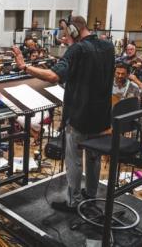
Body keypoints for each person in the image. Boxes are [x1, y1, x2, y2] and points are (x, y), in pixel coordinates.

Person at [13, 15, 115, 211]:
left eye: (67, 33)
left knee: (74, 160)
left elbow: (53, 76)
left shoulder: (77, 49)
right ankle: (91, 195)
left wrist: (24, 66)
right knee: (94, 158)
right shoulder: (108, 46)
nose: (65, 37)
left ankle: (74, 201)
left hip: (79, 116)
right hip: (102, 116)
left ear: (74, 31)